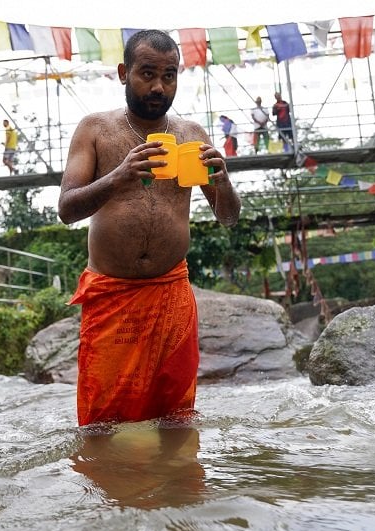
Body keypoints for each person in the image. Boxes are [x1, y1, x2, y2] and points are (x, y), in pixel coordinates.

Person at [58, 29, 241, 427]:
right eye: (147, 74)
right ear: (124, 72)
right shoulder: (95, 130)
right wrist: (118, 177)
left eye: (169, 75)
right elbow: (66, 209)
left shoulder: (192, 135)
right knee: (103, 423)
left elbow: (228, 217)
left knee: (176, 417)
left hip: (170, 293)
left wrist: (222, 181)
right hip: (112, 294)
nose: (159, 86)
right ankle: (112, 487)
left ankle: (175, 488)